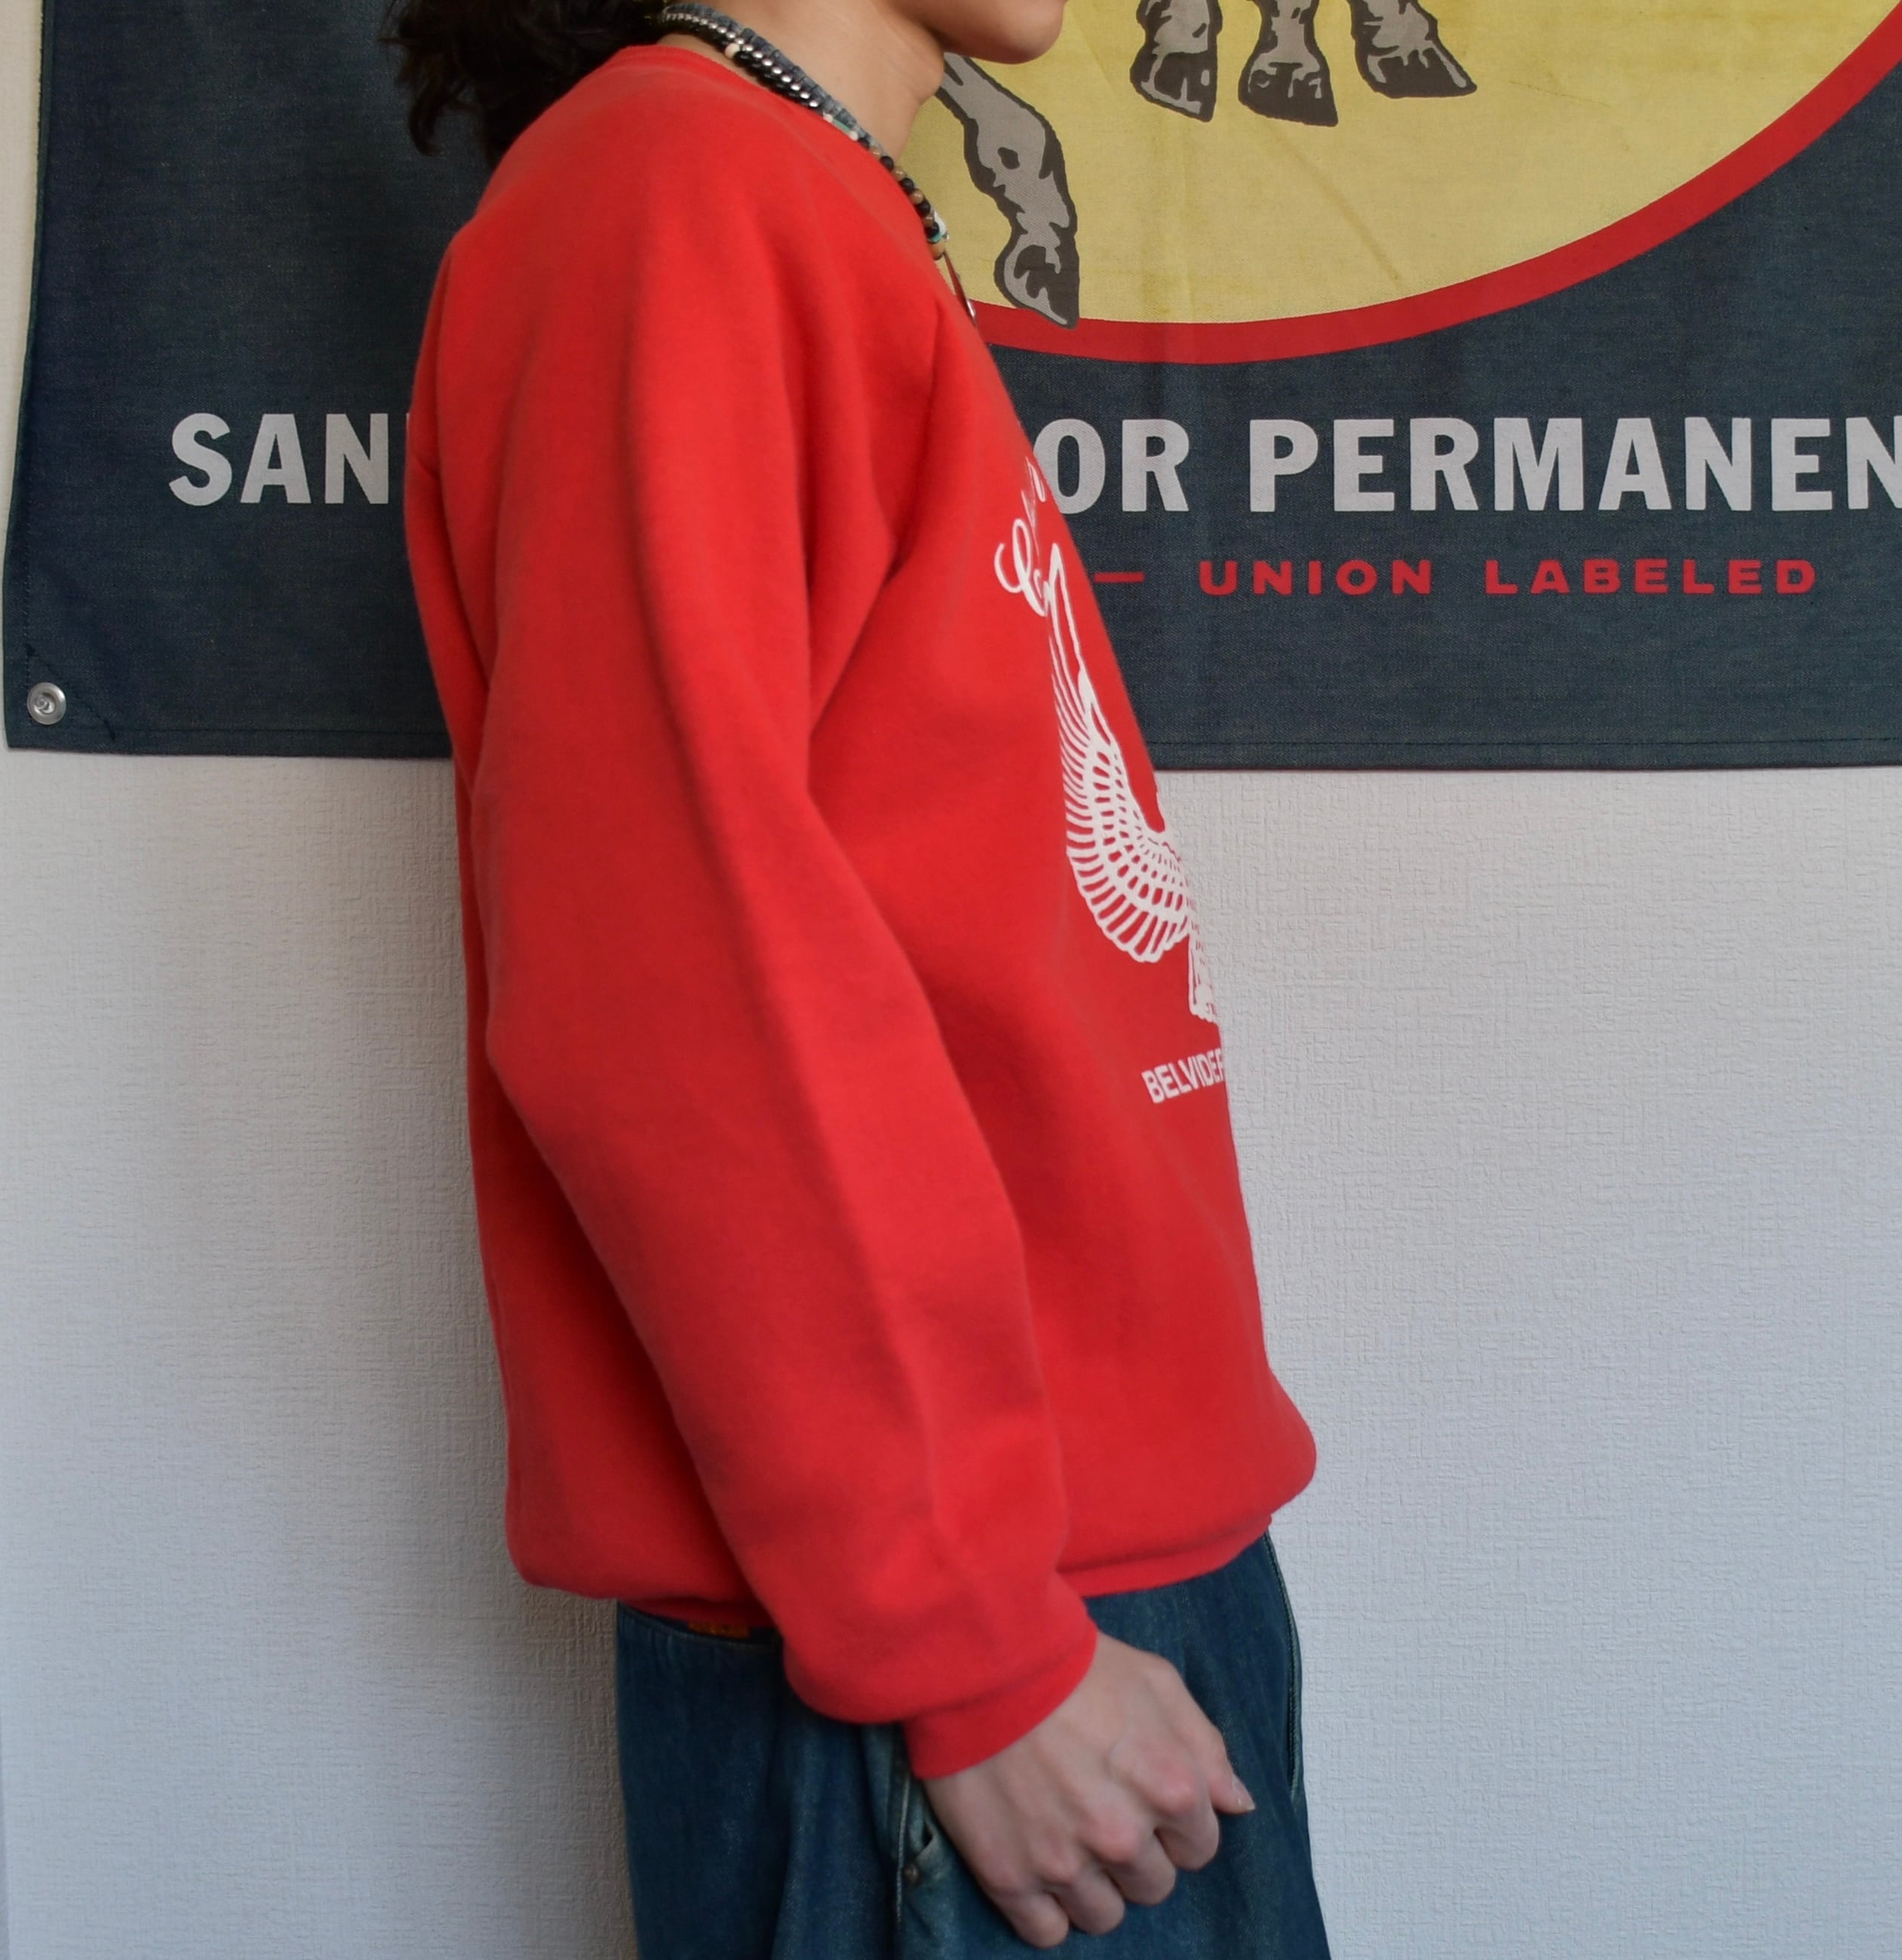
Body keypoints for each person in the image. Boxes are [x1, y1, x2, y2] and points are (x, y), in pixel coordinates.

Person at [387, 0, 1328, 1950]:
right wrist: (969, 1642)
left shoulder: (780, 194)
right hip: (971, 1655)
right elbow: (671, 970)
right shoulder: (675, 190)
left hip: (1055, 1591)